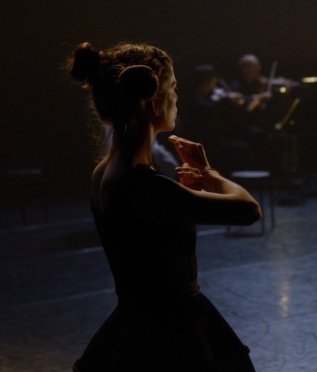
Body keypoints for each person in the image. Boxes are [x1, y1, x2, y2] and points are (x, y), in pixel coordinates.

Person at [66, 41, 261, 371]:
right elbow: (248, 210)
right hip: (170, 328)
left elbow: (146, 240)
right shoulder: (144, 183)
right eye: (173, 87)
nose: (176, 97)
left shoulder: (106, 171)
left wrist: (179, 199)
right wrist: (209, 173)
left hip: (135, 318)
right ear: (152, 102)